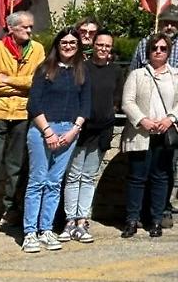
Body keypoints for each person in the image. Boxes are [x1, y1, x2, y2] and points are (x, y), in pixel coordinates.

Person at [0, 11, 46, 233]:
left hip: (22, 114)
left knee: (17, 166)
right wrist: (23, 84)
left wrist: (9, 79)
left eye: (31, 27)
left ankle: (11, 209)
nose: (30, 31)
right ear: (12, 28)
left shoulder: (38, 50)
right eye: (25, 27)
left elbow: (39, 81)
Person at [22, 29, 91, 253]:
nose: (68, 46)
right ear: (57, 44)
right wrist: (48, 132)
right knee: (37, 181)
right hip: (43, 129)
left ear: (78, 46)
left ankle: (46, 230)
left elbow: (85, 104)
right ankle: (30, 232)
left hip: (69, 130)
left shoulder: (82, 71)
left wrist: (74, 130)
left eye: (73, 42)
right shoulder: (45, 69)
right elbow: (34, 104)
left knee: (54, 183)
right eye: (64, 42)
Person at [131, 4, 178, 229]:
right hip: (145, 117)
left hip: (172, 119)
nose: (170, 26)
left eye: (174, 23)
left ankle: (163, 209)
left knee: (168, 166)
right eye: (166, 22)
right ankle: (142, 211)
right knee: (142, 167)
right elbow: (133, 72)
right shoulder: (145, 44)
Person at [120, 32, 178, 240]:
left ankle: (156, 220)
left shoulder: (177, 75)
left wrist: (170, 119)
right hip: (141, 133)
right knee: (136, 177)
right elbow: (127, 102)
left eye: (163, 48)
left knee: (160, 177)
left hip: (165, 132)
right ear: (148, 51)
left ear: (168, 52)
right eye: (155, 48)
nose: (158, 52)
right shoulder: (137, 74)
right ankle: (132, 219)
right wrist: (143, 120)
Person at [61, 30, 122, 243]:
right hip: (81, 129)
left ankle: (82, 220)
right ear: (93, 45)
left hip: (102, 130)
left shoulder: (115, 71)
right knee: (73, 176)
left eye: (107, 46)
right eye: (100, 45)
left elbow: (116, 100)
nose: (103, 49)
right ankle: (69, 220)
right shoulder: (82, 68)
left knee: (88, 177)